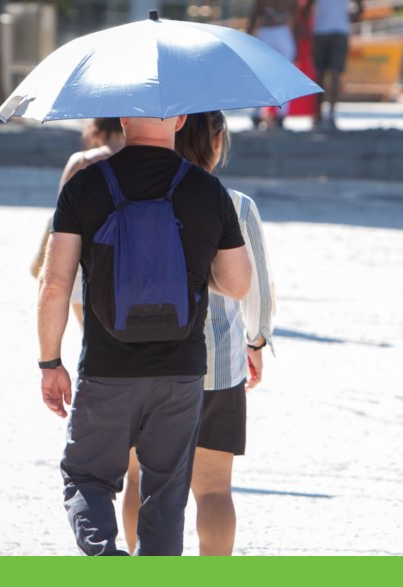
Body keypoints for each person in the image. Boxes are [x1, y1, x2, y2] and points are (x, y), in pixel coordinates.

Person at [37, 115, 252, 556]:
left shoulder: (85, 184)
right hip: (181, 372)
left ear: (121, 117)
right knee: (166, 496)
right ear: (179, 119)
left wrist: (50, 362)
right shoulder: (207, 190)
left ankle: (105, 560)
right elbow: (237, 283)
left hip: (106, 368)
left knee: (86, 478)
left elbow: (55, 283)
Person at [120, 111, 277, 556]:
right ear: (217, 139)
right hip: (217, 366)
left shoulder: (137, 198)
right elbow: (259, 287)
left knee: (139, 480)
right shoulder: (238, 203)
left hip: (143, 363)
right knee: (212, 490)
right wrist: (257, 341)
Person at [31, 118, 125, 327]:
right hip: (123, 256)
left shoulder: (81, 161)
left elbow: (62, 212)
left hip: (80, 255)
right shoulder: (140, 162)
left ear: (97, 130)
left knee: (88, 333)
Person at [307, 0, 364, 131]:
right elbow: (360, 8)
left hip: (327, 31)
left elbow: (360, 8)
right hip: (333, 30)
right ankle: (324, 115)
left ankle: (323, 115)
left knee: (326, 74)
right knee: (330, 74)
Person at [247, 0, 300, 129]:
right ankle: (281, 114)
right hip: (283, 33)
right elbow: (296, 16)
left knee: (261, 76)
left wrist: (247, 36)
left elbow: (256, 13)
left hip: (267, 32)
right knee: (284, 77)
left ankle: (257, 112)